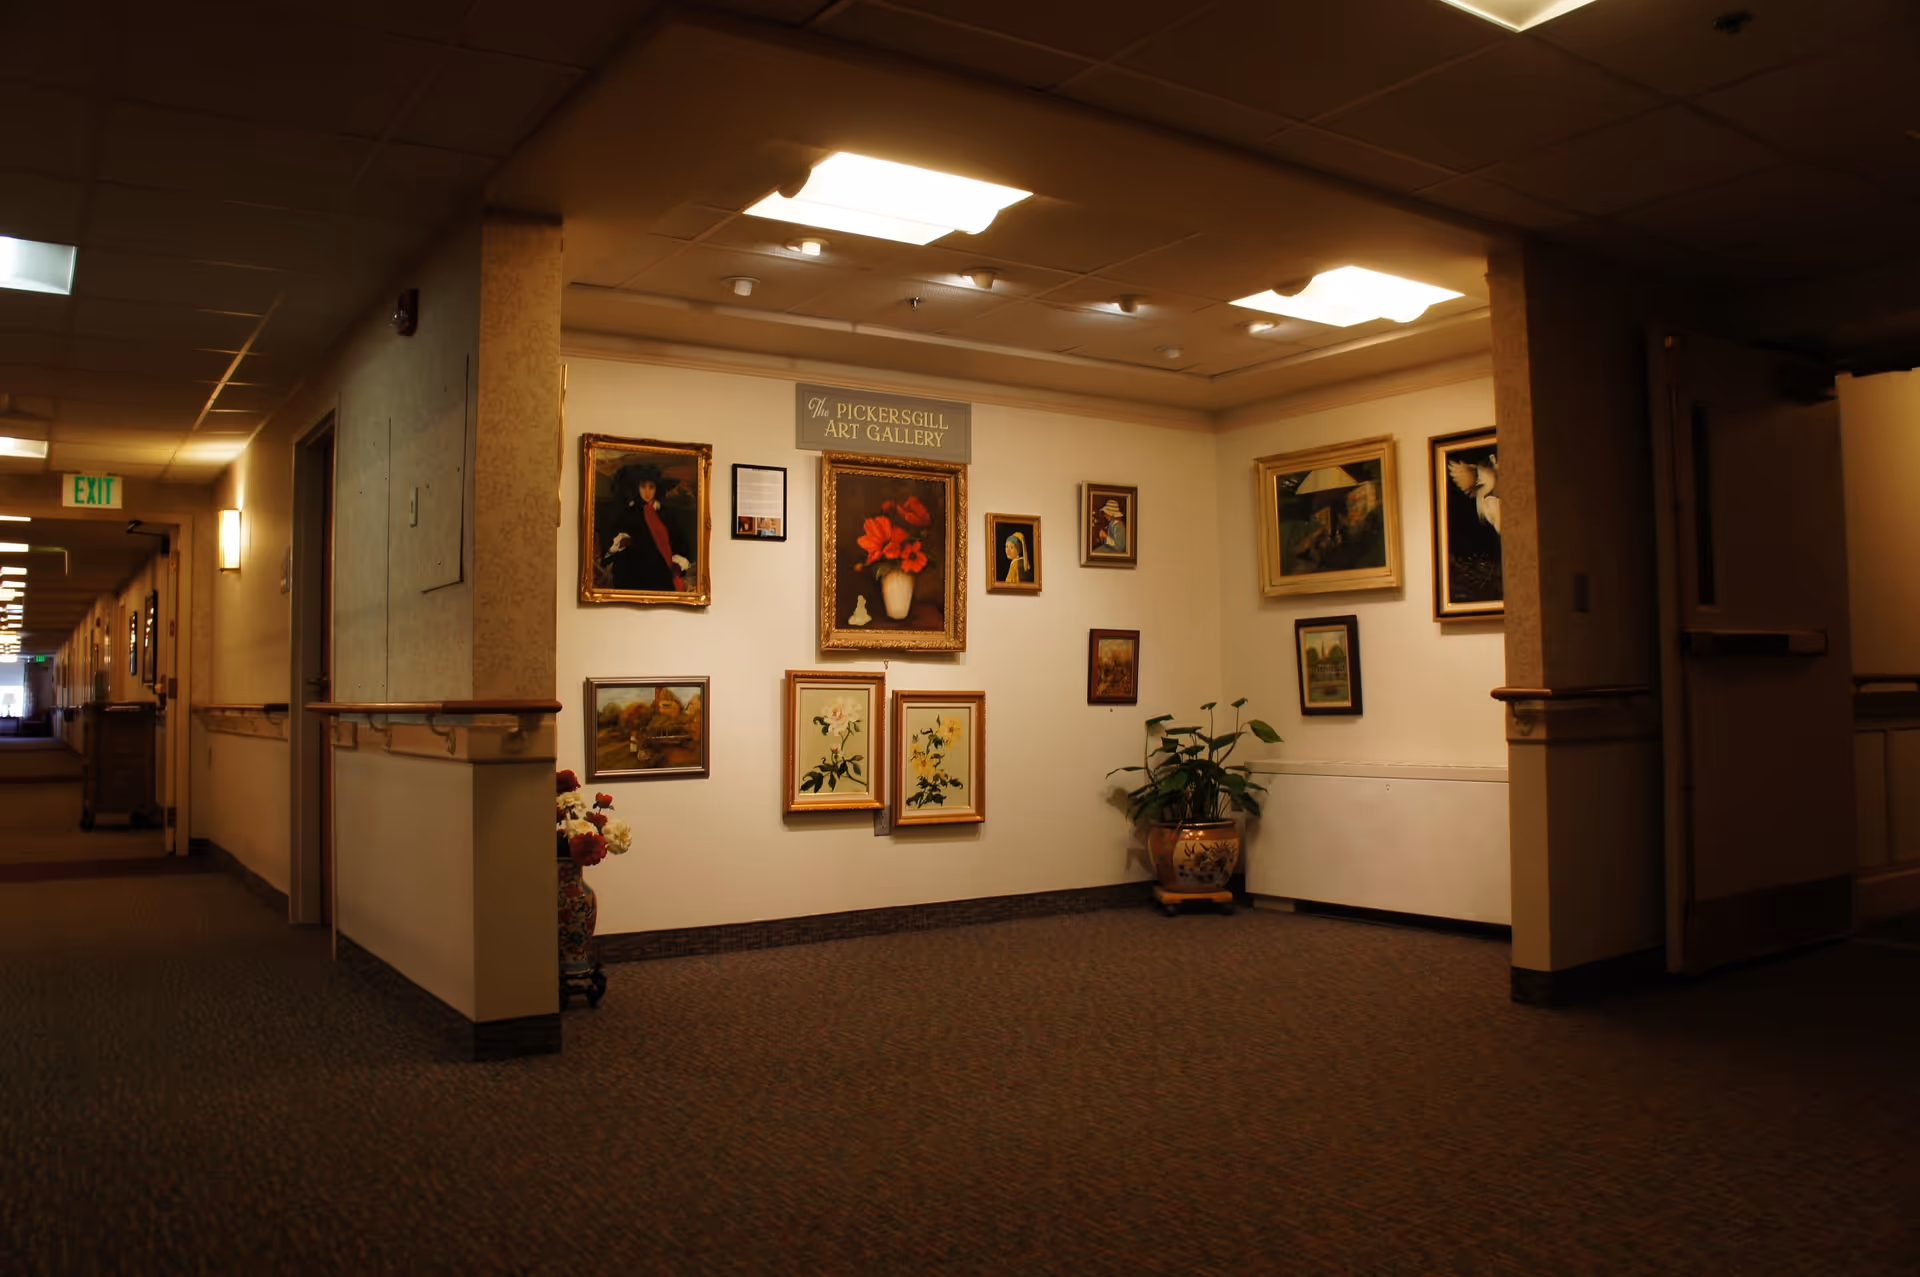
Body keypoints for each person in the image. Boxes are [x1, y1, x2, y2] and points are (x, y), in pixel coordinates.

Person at [601, 463, 691, 591]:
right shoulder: (628, 514)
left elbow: (679, 540)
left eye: (651, 487)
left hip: (664, 574)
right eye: (643, 487)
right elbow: (613, 543)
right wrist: (623, 543)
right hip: (636, 576)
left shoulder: (665, 514)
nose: (647, 492)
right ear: (637, 488)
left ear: (656, 489)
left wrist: (677, 563)